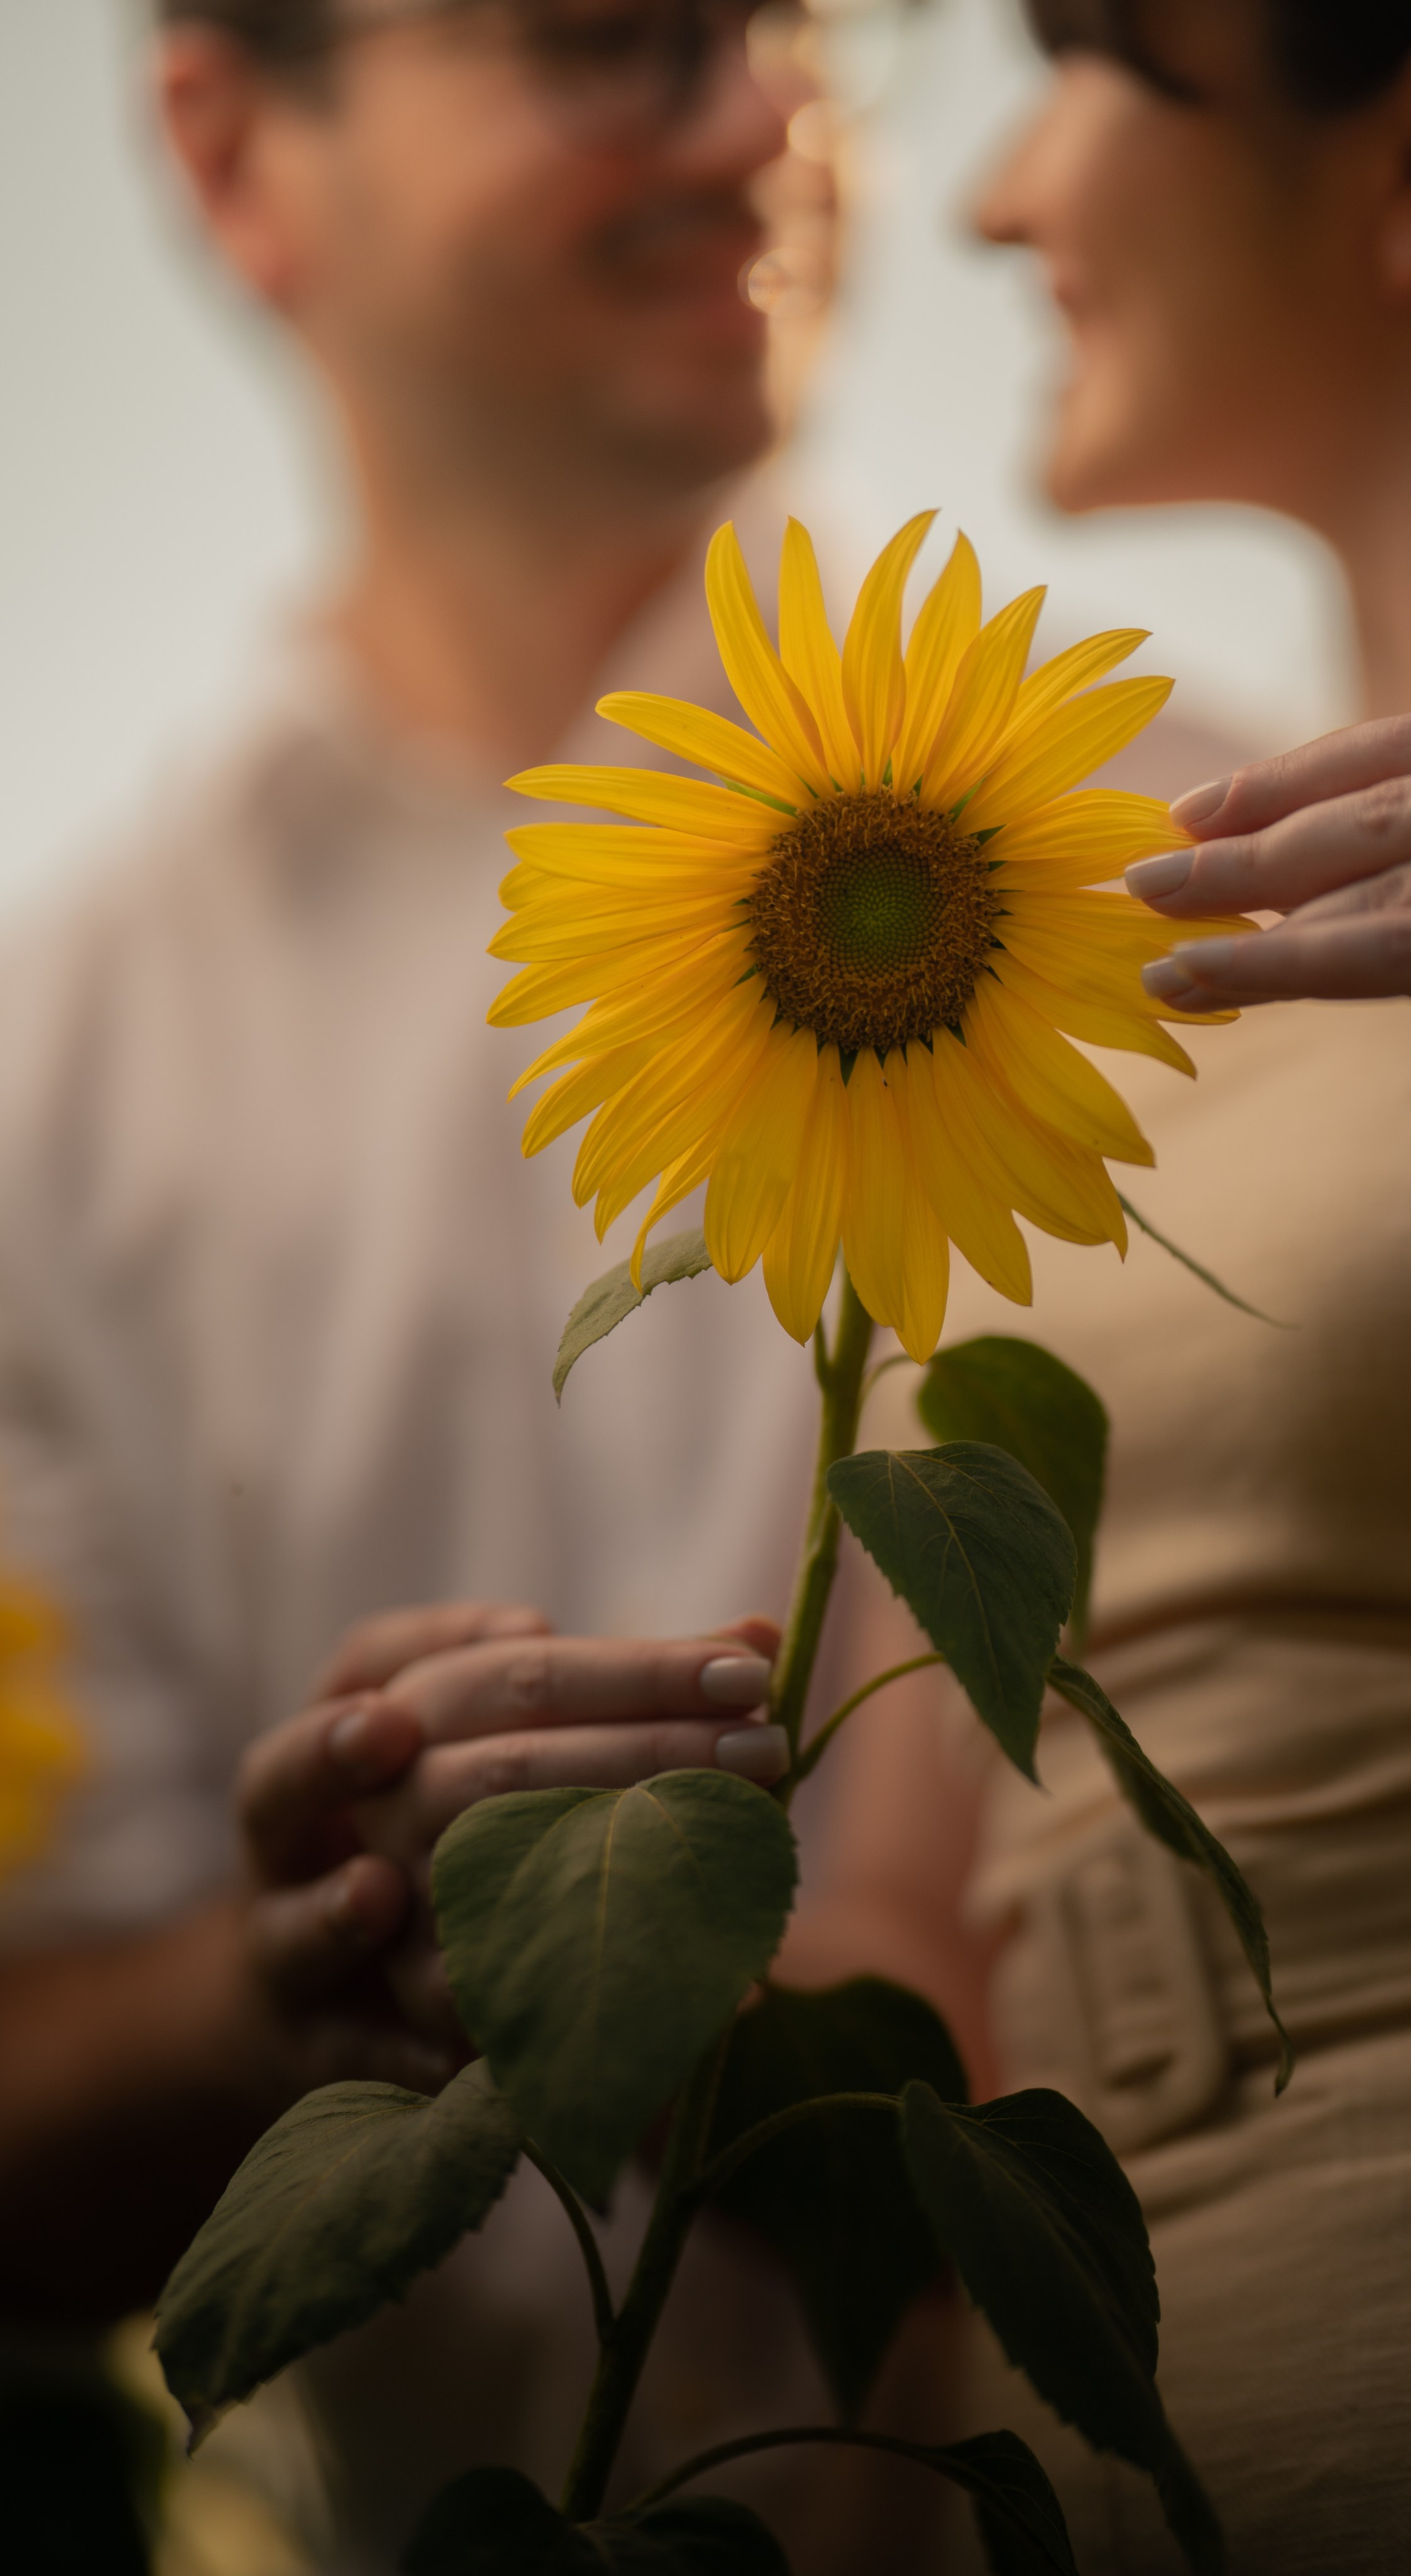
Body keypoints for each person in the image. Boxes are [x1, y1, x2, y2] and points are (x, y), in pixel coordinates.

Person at [788, 2, 1411, 2567]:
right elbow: (907, 1940)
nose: (990, 195)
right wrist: (528, 1942)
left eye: (1089, 55)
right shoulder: (1046, 955)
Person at [0, 0, 839, 2557]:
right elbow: (25, 2153)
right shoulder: (59, 1076)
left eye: (814, 31)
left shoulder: (1175, 850)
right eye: (616, 38)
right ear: (242, 146)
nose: (765, 118)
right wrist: (312, 1962)